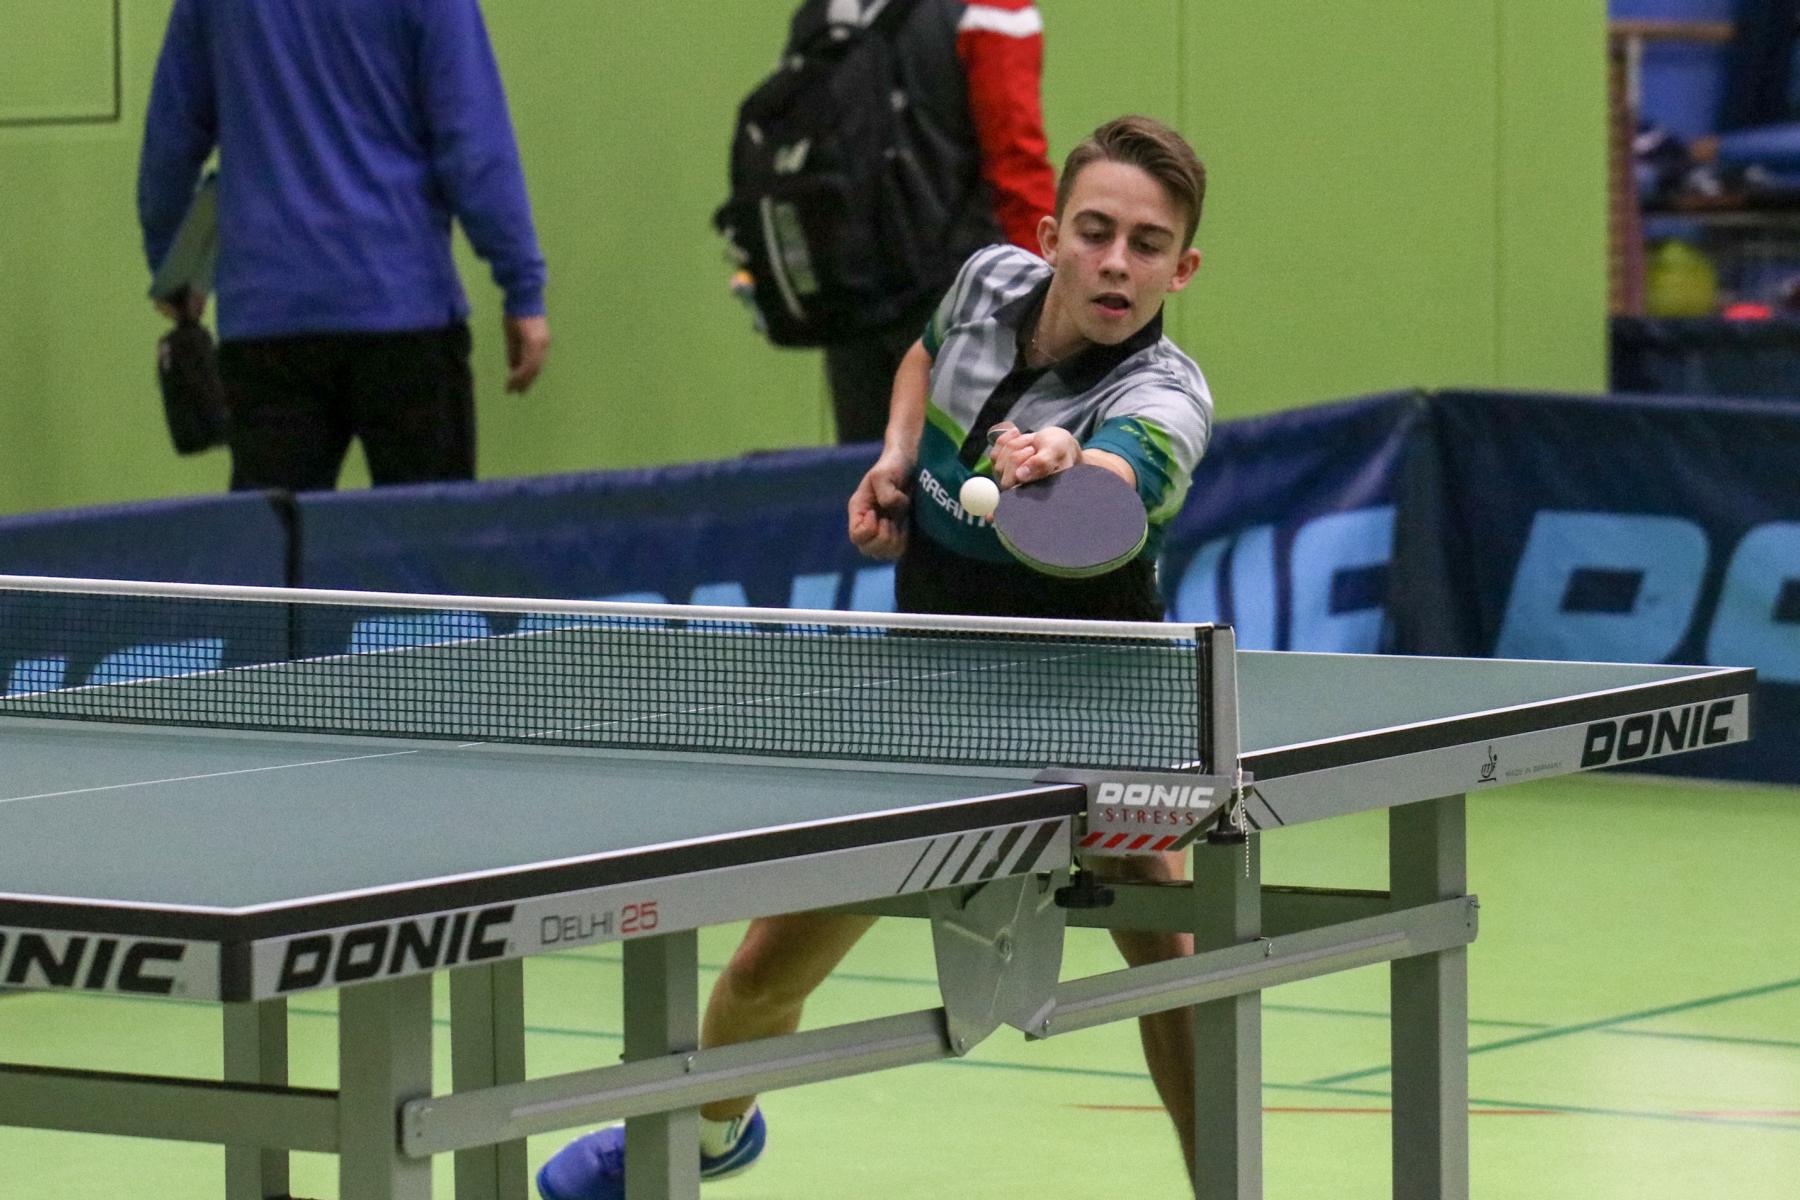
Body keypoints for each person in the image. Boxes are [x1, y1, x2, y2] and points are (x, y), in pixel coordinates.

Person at [537, 114, 1212, 1200]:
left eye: (1148, 244)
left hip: (1092, 716)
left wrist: (1069, 458)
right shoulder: (987, 283)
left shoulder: (1165, 396)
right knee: (764, 971)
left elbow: (1127, 474)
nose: (1117, 264)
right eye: (1096, 232)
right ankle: (705, 1137)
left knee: (1177, 977)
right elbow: (922, 355)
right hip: (931, 704)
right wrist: (896, 458)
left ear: (1182, 268)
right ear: (1050, 239)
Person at [137, 0, 550, 493]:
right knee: (426, 536)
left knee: (275, 540)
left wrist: (175, 269)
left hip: (269, 323)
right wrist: (521, 285)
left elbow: (172, 137)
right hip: (405, 314)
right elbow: (472, 144)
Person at [778, 0, 1057, 444]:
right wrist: (1048, 295)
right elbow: (1016, 168)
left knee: (870, 471)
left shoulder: (823, 12)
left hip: (850, 296)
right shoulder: (991, 9)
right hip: (962, 297)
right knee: (977, 469)